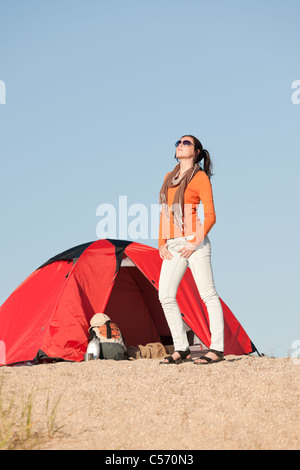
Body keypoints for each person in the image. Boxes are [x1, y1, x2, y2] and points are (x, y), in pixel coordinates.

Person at [158, 134, 225, 365]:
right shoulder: (169, 178)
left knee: (207, 294)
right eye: (178, 142)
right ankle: (181, 348)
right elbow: (165, 212)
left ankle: (216, 348)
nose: (180, 145)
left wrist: (195, 241)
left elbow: (211, 216)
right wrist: (161, 242)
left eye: (186, 143)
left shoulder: (200, 178)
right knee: (165, 295)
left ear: (196, 151)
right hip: (174, 244)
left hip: (195, 243)